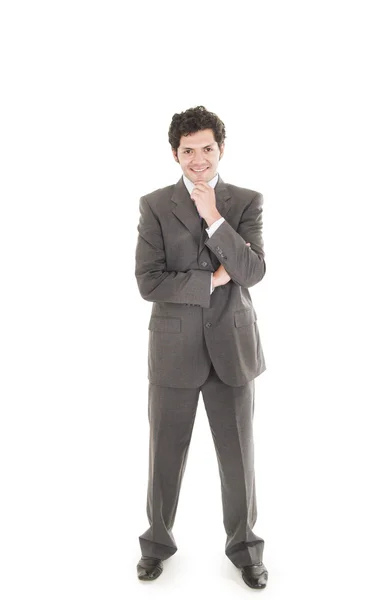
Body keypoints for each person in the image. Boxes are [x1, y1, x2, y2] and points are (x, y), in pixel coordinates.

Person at [134, 105, 268, 590]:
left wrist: (214, 217)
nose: (198, 160)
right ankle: (156, 544)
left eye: (206, 149)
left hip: (232, 349)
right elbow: (149, 282)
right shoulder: (154, 205)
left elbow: (253, 272)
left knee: (239, 462)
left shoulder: (245, 201)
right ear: (175, 154)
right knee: (163, 457)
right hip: (174, 352)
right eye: (187, 151)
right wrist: (212, 279)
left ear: (221, 149)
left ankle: (245, 549)